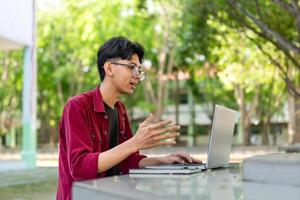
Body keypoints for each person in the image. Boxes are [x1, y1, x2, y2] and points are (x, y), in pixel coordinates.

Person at [56, 36, 201, 200]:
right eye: (132, 68)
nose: (137, 76)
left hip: (112, 193)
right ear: (109, 68)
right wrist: (135, 143)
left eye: (139, 71)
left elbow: (126, 162)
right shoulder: (77, 106)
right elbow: (80, 168)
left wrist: (164, 161)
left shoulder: (120, 110)